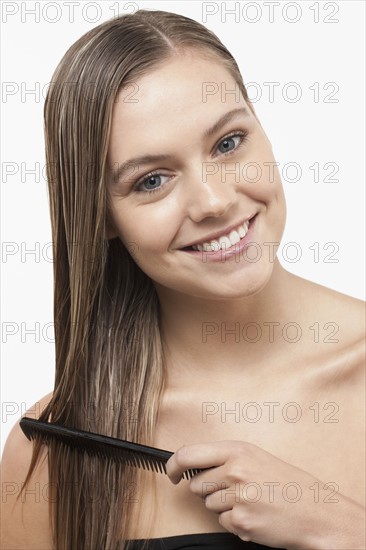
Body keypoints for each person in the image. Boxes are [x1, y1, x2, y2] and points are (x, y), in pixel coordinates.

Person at [1, 8, 365, 550]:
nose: (215, 201)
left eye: (227, 143)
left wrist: (340, 529)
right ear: (98, 216)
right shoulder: (54, 449)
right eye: (151, 180)